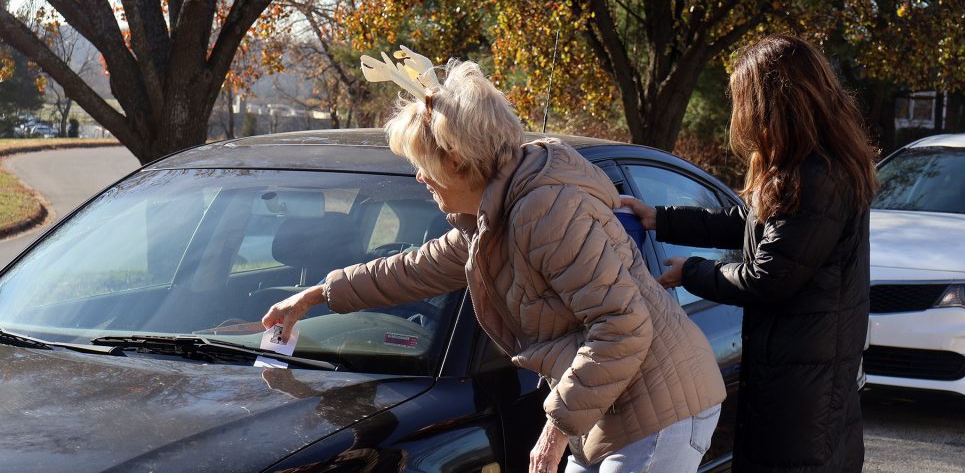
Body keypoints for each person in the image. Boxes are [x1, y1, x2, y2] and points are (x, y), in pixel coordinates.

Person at [263, 48, 726, 473]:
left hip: (660, 405)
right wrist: (315, 295)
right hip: (610, 403)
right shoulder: (492, 219)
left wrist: (553, 432)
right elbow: (413, 269)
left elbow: (623, 325)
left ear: (458, 161)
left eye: (423, 163)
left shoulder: (546, 211)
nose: (420, 177)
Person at [622, 34, 878, 473]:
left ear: (772, 104)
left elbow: (769, 277)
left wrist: (692, 272)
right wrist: (661, 219)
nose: (739, 115)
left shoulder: (817, 177)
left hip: (803, 391)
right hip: (797, 375)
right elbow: (754, 224)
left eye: (744, 100)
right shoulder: (811, 168)